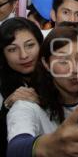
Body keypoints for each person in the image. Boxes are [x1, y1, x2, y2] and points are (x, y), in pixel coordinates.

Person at [6, 27, 78, 157]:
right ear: (46, 64)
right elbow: (15, 149)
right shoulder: (28, 105)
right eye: (63, 61)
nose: (75, 69)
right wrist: (46, 146)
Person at [0, 17, 43, 156]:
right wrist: (6, 107)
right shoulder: (2, 84)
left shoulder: (61, 75)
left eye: (30, 45)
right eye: (12, 49)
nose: (24, 55)